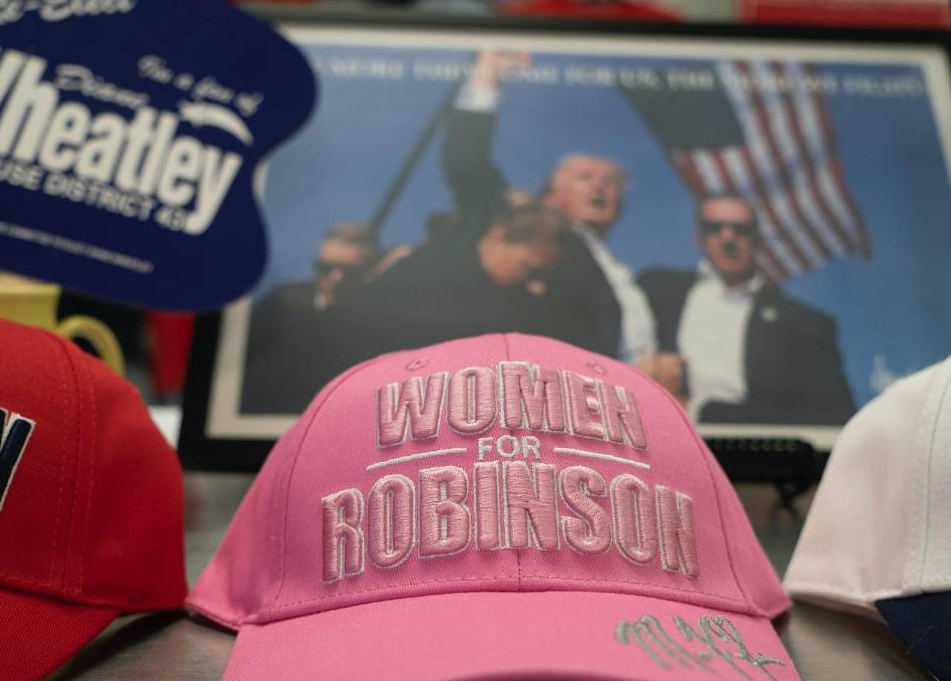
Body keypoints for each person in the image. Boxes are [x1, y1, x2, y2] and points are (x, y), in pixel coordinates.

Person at [441, 50, 656, 362]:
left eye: (610, 182)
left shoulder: (619, 270)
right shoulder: (526, 228)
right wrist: (486, 77)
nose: (599, 186)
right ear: (551, 196)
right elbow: (465, 161)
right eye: (585, 177)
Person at [638, 195, 855, 426]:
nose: (728, 237)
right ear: (698, 237)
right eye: (715, 227)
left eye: (741, 229)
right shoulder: (656, 290)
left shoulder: (804, 325)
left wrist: (704, 412)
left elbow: (833, 416)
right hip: (662, 439)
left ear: (758, 239)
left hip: (753, 454)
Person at [324, 204, 588, 371]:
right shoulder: (428, 278)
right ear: (497, 237)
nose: (538, 288)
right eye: (532, 270)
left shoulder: (507, 301)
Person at [240, 223, 380, 413]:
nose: (336, 277)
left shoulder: (375, 317)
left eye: (350, 272)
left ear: (371, 270)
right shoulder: (283, 300)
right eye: (326, 268)